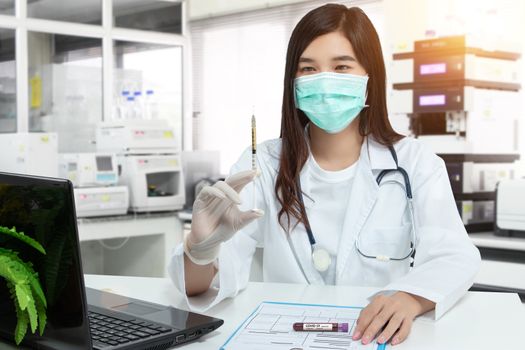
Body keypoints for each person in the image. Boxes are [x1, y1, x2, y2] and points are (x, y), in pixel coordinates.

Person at [169, 4, 481, 346]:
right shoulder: (265, 162)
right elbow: (202, 286)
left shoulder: (414, 162)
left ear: (369, 78)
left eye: (341, 66)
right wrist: (199, 251)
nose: (324, 81)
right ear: (294, 81)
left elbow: (455, 256)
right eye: (308, 68)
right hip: (286, 339)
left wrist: (410, 298)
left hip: (375, 339)